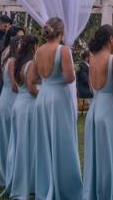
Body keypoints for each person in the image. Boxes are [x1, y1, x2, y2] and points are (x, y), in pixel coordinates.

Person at [33, 17, 82, 200]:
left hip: (43, 96)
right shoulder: (63, 50)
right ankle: (65, 188)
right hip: (59, 98)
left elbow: (34, 78)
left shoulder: (38, 51)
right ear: (62, 32)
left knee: (45, 142)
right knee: (63, 140)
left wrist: (49, 79)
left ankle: (46, 185)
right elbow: (70, 78)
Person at [83, 24, 113, 200]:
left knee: (96, 154)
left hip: (95, 109)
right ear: (110, 39)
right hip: (109, 109)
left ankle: (95, 191)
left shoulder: (92, 58)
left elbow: (92, 88)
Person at [2, 34, 39, 200]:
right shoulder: (31, 64)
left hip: (18, 104)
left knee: (18, 144)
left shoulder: (16, 63)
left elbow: (16, 86)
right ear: (34, 47)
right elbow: (32, 89)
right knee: (29, 145)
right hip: (29, 106)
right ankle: (29, 183)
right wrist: (44, 94)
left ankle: (17, 181)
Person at [0, 27, 24, 188]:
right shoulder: (14, 61)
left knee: (4, 140)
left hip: (3, 100)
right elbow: (15, 87)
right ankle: (9, 174)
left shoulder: (5, 56)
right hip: (11, 101)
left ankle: (3, 171)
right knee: (12, 140)